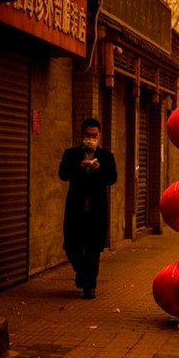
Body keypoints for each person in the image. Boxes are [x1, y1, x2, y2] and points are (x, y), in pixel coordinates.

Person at [59, 118, 117, 299]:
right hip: (76, 208)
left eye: (94, 135)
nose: (90, 138)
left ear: (99, 136)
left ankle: (89, 285)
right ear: (81, 135)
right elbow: (63, 174)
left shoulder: (107, 157)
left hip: (96, 210)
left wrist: (99, 170)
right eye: (87, 135)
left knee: (93, 248)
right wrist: (79, 167)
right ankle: (81, 271)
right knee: (71, 244)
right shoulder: (71, 154)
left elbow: (112, 179)